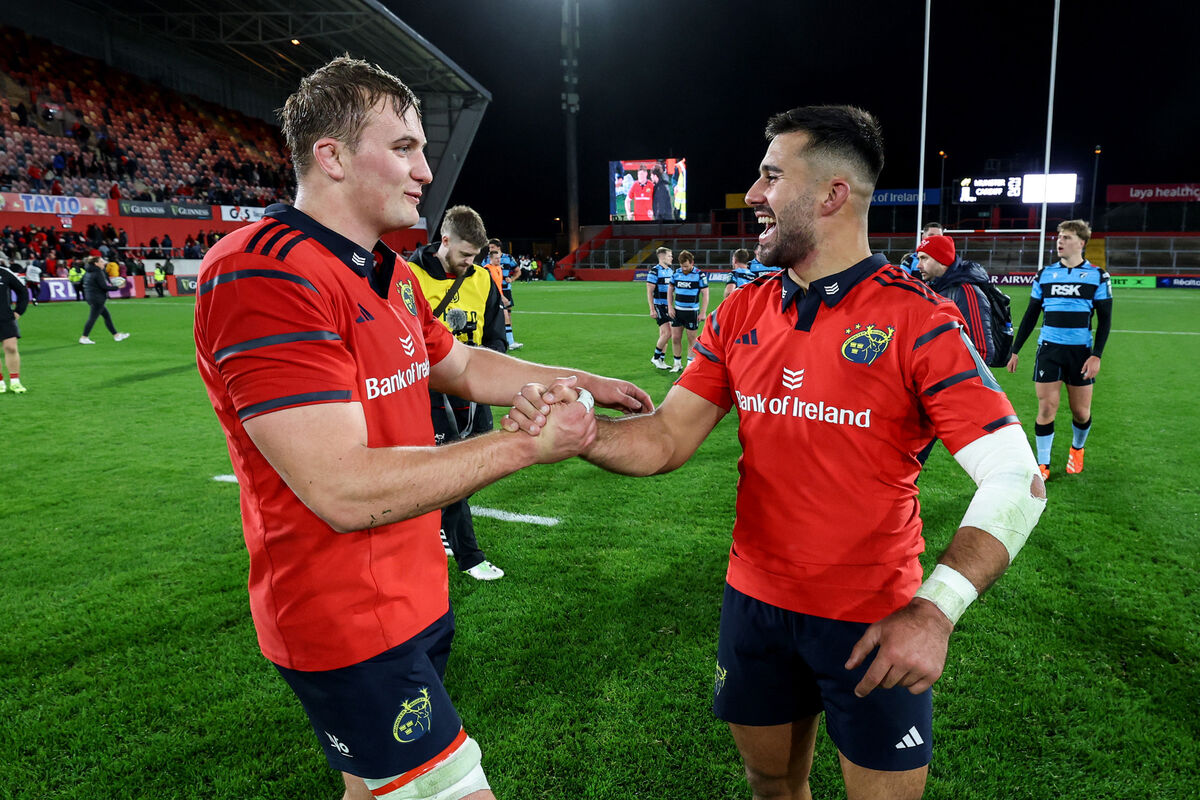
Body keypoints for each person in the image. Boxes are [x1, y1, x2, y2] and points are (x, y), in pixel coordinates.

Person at [506, 105, 1046, 800]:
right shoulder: (742, 309)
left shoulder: (920, 320)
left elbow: (1017, 478)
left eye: (770, 177)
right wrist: (584, 433)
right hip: (753, 606)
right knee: (770, 787)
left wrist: (935, 609)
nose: (754, 195)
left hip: (871, 618)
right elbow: (667, 436)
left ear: (832, 194)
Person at [192, 56, 652, 800]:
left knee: (374, 789)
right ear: (332, 156)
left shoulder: (392, 274)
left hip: (414, 593)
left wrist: (582, 380)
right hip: (343, 617)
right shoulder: (264, 272)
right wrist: (525, 444)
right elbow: (341, 489)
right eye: (403, 147)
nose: (425, 170)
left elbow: (461, 364)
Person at [408, 205, 508, 581]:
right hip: (428, 390)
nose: (471, 262)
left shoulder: (482, 279)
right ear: (445, 240)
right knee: (452, 470)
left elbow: (495, 335)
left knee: (479, 463)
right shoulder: (409, 276)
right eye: (465, 254)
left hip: (472, 388)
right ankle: (470, 557)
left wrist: (489, 374)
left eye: (476, 255)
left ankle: (436, 512)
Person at [1006, 219, 1112, 479]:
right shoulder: (1044, 274)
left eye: (1066, 237)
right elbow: (1031, 315)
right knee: (1046, 409)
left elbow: (1105, 320)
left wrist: (1096, 355)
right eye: (1059, 237)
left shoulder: (1098, 276)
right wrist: (1015, 349)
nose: (1060, 241)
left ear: (1081, 243)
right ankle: (1043, 464)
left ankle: (1077, 448)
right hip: (1049, 351)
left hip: (1080, 353)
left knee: (1081, 412)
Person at [914, 235, 996, 361]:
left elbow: (981, 351)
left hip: (953, 373)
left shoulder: (966, 292)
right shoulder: (934, 289)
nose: (918, 265)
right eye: (919, 259)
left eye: (924, 258)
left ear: (942, 260)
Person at [665, 250, 709, 372]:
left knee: (691, 339)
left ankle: (690, 366)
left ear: (692, 263)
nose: (684, 268)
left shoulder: (700, 275)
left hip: (691, 312)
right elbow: (670, 290)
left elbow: (705, 294)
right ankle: (677, 364)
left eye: (686, 266)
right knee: (675, 338)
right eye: (682, 266)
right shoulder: (676, 274)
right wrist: (670, 307)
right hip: (677, 311)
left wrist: (703, 312)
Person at [79, 255, 130, 344]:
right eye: (101, 262)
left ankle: (116, 335)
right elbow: (104, 287)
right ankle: (84, 337)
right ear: (96, 263)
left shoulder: (88, 271)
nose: (104, 263)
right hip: (97, 299)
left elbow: (82, 283)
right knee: (92, 318)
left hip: (91, 297)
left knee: (106, 316)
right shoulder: (98, 272)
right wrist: (118, 287)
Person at [485, 238, 521, 350]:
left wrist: (512, 279)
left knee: (507, 314)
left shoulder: (506, 260)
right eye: (489, 247)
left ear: (498, 247)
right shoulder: (487, 265)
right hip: (494, 292)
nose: (490, 249)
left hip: (504, 290)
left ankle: (508, 340)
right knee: (499, 315)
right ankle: (507, 341)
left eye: (492, 247)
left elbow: (517, 270)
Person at [0, 261, 30, 393]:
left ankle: (15, 382)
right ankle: (0, 382)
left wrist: (18, 311)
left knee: (11, 347)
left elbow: (22, 291)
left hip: (5, 318)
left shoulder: (4, 272)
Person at [644, 246, 674, 369]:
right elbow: (649, 292)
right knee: (668, 333)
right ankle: (656, 358)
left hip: (668, 306)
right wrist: (652, 309)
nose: (671, 258)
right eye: (669, 256)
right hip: (660, 305)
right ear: (662, 257)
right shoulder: (654, 272)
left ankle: (661, 360)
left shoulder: (671, 271)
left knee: (664, 334)